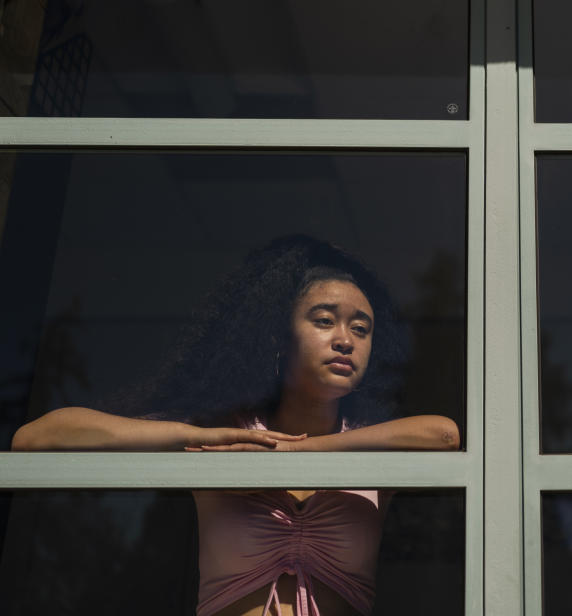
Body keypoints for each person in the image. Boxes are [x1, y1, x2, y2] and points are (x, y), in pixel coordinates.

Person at [11, 235, 461, 616]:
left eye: (361, 329)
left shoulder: (371, 447)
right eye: (324, 321)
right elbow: (37, 438)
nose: (345, 339)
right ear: (278, 337)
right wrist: (196, 436)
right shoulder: (225, 436)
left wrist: (295, 454)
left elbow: (443, 435)